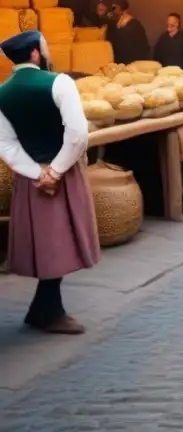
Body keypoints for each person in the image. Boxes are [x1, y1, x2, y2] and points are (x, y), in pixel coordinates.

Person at [0, 31, 100, 334]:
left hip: (31, 180)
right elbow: (78, 133)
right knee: (58, 244)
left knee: (48, 244)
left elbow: (5, 144)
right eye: (44, 49)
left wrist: (35, 172)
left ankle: (42, 307)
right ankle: (49, 311)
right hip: (62, 175)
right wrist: (55, 172)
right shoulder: (59, 82)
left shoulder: (2, 93)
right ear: (34, 54)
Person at [107, 0, 150, 64]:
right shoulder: (112, 24)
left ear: (122, 10)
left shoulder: (134, 25)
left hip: (133, 62)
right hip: (117, 62)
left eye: (114, 8)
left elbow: (142, 47)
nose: (112, 11)